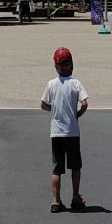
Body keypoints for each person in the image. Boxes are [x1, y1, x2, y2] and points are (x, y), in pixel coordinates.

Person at [42, 46, 89, 213]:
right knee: (75, 166)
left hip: (56, 132)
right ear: (71, 64)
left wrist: (53, 109)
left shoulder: (51, 84)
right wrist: (77, 114)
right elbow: (85, 103)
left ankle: (56, 201)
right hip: (72, 132)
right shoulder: (76, 83)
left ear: (56, 67)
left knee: (57, 168)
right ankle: (75, 197)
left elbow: (43, 105)